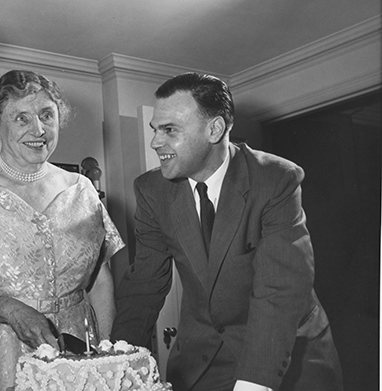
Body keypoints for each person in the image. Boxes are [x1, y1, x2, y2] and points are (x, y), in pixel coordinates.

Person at [111, 72, 343, 391]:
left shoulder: (275, 180)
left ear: (215, 129)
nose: (155, 142)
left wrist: (252, 384)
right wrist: (115, 363)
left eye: (170, 130)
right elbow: (145, 284)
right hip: (202, 362)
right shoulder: (152, 190)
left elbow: (280, 289)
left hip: (288, 355)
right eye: (154, 129)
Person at [0, 69, 124, 391]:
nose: (38, 129)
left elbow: (100, 280)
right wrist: (10, 310)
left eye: (46, 115)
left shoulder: (82, 189)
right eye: (21, 118)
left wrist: (107, 350)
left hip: (77, 346)